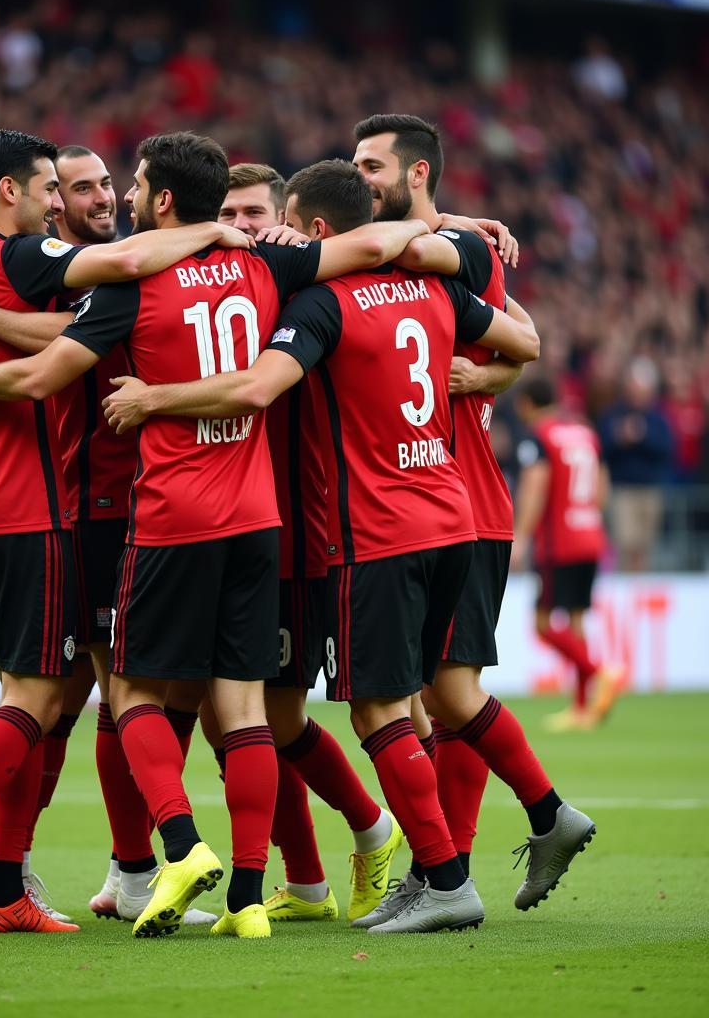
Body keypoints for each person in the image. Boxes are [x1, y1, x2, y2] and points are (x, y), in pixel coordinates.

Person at [0, 131, 432, 938]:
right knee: (243, 710)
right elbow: (377, 239)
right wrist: (444, 229)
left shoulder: (135, 276)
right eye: (71, 187)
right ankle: (236, 893)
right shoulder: (265, 265)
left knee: (125, 696)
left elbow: (54, 365)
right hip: (259, 517)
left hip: (151, 515)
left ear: (158, 200)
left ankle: (165, 853)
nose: (101, 200)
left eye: (121, 186)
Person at [103, 159, 591, 933]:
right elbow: (523, 341)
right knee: (405, 704)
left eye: (274, 216)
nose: (263, 230)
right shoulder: (434, 285)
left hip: (368, 531)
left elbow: (257, 387)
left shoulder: (313, 300)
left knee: (377, 711)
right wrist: (476, 367)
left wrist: (151, 398)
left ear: (315, 227)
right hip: (447, 514)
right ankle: (438, 858)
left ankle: (442, 874)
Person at [0, 128, 254, 940]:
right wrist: (214, 229)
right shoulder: (33, 261)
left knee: (51, 698)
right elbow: (104, 297)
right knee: (71, 697)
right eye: (59, 186)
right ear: (12, 191)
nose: (72, 201)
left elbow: (66, 329)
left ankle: (8, 884)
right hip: (46, 513)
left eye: (88, 187)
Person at [350, 112, 545, 923]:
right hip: (431, 505)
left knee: (439, 692)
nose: (358, 175)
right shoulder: (457, 246)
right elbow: (525, 339)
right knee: (429, 698)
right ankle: (443, 870)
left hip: (452, 503)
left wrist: (488, 377)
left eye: (371, 165)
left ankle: (467, 860)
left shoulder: (461, 259)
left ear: (418, 175)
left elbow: (526, 339)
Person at [213, 162, 402, 928]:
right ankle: (309, 881)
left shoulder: (300, 288)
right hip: (228, 529)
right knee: (237, 717)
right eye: (226, 209)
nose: (242, 222)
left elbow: (376, 245)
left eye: (255, 210)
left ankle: (371, 831)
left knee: (268, 719)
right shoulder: (217, 283)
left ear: (288, 219)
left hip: (294, 535)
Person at [515, 375, 621, 730]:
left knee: (543, 625)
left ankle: (599, 671)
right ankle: (581, 708)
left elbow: (535, 486)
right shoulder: (586, 433)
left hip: (558, 542)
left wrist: (522, 535)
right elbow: (602, 487)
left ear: (527, 404)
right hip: (589, 534)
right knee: (576, 622)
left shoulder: (539, 437)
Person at [597, 356, 673, 573]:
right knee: (624, 545)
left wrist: (643, 436)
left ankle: (642, 589)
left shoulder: (657, 417)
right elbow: (602, 449)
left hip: (650, 490)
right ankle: (626, 591)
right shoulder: (613, 414)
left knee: (645, 547)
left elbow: (666, 449)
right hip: (622, 490)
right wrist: (621, 437)